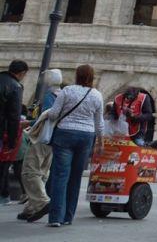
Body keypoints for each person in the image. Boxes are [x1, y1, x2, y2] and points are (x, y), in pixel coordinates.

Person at [45, 64, 103, 227]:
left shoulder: (67, 90)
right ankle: (68, 217)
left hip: (65, 134)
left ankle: (56, 217)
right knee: (76, 177)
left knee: (60, 176)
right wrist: (101, 141)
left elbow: (54, 113)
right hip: (86, 136)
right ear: (92, 77)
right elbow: (99, 122)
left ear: (77, 75)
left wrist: (47, 114)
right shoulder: (96, 95)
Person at [18, 68, 63, 221]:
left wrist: (28, 123)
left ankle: (42, 202)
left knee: (29, 172)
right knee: (42, 173)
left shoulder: (50, 96)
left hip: (42, 138)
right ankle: (31, 208)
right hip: (53, 140)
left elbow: (47, 117)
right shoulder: (62, 95)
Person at [0, 59, 28, 206]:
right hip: (2, 130)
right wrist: (12, 140)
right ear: (22, 73)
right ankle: (2, 197)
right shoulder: (16, 86)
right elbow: (13, 116)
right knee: (2, 165)